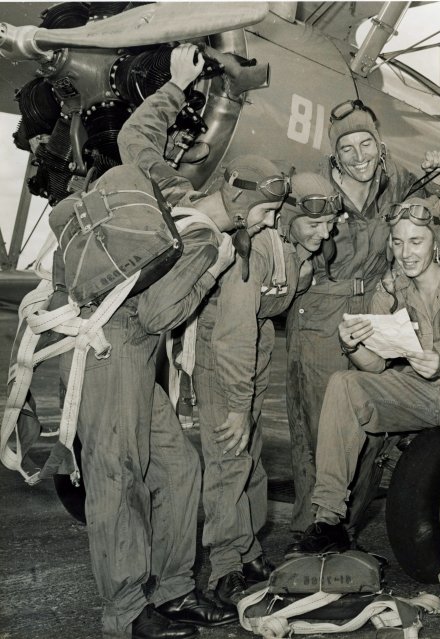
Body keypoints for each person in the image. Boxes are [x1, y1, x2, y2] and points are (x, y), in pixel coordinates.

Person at [113, 43, 286, 636]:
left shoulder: (173, 191)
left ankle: (177, 590)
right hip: (109, 351)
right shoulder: (209, 240)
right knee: (117, 481)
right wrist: (212, 267)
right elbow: (162, 314)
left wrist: (177, 86)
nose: (265, 224)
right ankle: (126, 614)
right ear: (241, 199)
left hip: (137, 358)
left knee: (181, 469)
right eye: (265, 212)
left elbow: (134, 142)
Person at [287, 198, 440, 629]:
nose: (407, 251)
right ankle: (329, 517)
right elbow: (373, 366)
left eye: (417, 241)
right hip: (414, 388)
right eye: (399, 241)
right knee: (345, 383)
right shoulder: (389, 289)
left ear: (436, 243)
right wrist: (353, 343)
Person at [285, 98, 440, 534]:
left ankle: (345, 534)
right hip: (321, 315)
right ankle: (309, 535)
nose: (360, 158)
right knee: (320, 434)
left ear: (380, 144)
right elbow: (287, 237)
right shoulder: (311, 188)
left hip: (375, 313)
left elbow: (431, 217)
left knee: (374, 429)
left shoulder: (397, 185)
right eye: (348, 149)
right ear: (334, 154)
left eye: (366, 144)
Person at [193, 172, 340, 606]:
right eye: (315, 223)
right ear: (288, 216)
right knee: (227, 458)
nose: (325, 231)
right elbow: (232, 331)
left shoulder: (294, 247)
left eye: (330, 223)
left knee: (250, 459)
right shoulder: (255, 248)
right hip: (225, 351)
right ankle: (223, 569)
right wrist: (238, 405)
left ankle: (249, 550)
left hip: (253, 349)